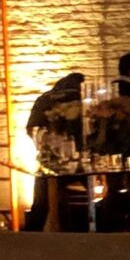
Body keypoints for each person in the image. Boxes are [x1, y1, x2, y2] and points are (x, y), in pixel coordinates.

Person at [20, 72, 85, 232]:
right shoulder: (79, 99)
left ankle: (29, 239)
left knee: (41, 205)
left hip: (50, 162)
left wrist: (47, 145)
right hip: (78, 162)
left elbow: (32, 129)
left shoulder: (44, 100)